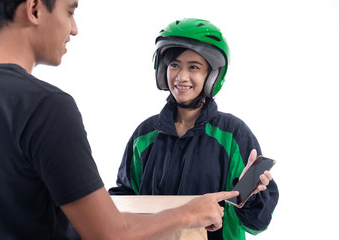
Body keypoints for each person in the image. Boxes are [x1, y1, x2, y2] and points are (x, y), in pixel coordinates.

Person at [0, 2, 240, 240]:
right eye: (69, 12)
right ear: (34, 8)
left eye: (194, 67)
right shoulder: (45, 107)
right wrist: (189, 214)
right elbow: (108, 232)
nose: (74, 28)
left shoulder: (233, 133)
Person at [109, 18, 279, 240]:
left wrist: (250, 193)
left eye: (194, 67)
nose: (181, 77)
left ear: (212, 76)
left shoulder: (233, 135)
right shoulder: (145, 135)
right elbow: (125, 199)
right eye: (174, 65)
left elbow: (258, 223)